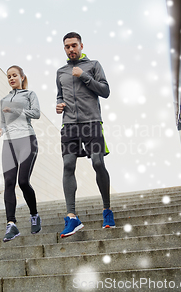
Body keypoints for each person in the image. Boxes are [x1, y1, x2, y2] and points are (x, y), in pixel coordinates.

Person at [55, 32, 115, 238]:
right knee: (68, 165)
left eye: (74, 45)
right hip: (69, 125)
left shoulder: (93, 65)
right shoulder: (60, 72)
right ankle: (72, 217)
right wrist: (59, 105)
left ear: (81, 45)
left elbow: (105, 91)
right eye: (67, 47)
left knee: (98, 163)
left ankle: (107, 210)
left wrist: (85, 76)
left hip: (91, 123)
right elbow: (60, 95)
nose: (71, 49)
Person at [0, 65, 42, 242]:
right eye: (9, 77)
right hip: (9, 142)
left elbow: (36, 113)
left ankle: (34, 215)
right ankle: (11, 224)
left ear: (22, 77)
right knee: (8, 182)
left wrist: (15, 110)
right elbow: (3, 122)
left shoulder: (29, 95)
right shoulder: (4, 99)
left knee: (23, 181)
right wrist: (1, 130)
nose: (11, 79)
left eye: (14, 75)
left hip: (27, 140)